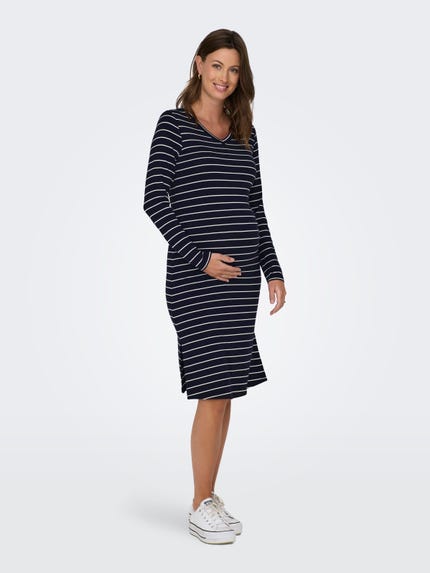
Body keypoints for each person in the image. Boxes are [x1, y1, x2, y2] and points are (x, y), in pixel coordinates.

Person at [143, 28, 287, 544]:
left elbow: (255, 208)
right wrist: (202, 260)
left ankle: (208, 495)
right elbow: (154, 199)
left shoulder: (245, 132)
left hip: (240, 282)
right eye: (217, 65)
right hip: (195, 281)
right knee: (212, 389)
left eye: (234, 69)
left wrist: (273, 269)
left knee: (226, 392)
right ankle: (199, 503)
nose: (225, 77)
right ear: (199, 64)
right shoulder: (174, 125)